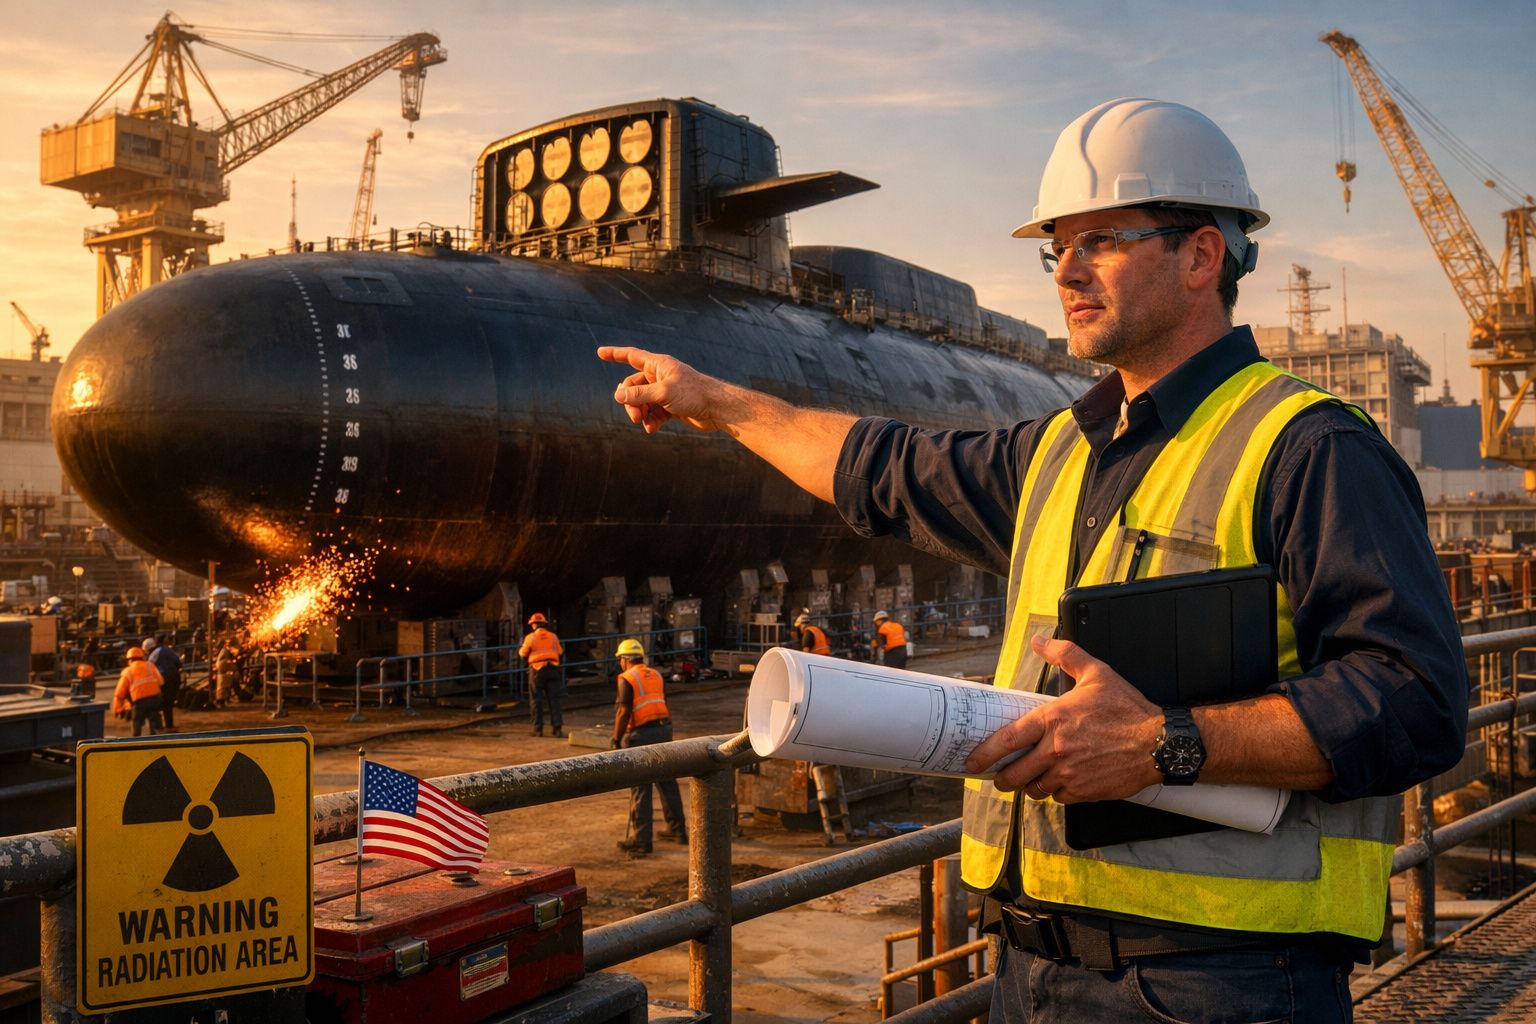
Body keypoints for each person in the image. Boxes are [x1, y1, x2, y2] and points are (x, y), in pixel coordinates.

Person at [597, 96, 1468, 1022]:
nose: (1068, 269)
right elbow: (880, 466)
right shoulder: (1062, 449)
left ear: (1202, 255)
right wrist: (718, 403)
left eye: (1102, 239)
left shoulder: (1309, 447)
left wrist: (1163, 744)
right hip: (1029, 967)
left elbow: (1414, 697)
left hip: (1223, 979)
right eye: (1058, 245)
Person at [611, 637, 686, 857]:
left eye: (620, 660)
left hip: (642, 733)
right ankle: (677, 830)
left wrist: (616, 739)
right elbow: (662, 702)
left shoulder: (626, 678)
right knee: (667, 781)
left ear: (625, 659)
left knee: (641, 786)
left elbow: (624, 711)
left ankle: (641, 841)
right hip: (664, 729)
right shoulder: (655, 674)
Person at [519, 612, 565, 737]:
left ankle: (538, 729)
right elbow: (560, 651)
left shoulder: (530, 637)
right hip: (553, 669)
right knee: (554, 700)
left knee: (536, 700)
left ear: (533, 625)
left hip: (537, 670)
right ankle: (557, 728)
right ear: (544, 624)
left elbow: (523, 653)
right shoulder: (553, 637)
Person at [112, 646, 164, 737]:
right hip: (155, 700)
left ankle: (136, 743)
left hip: (139, 703)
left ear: (129, 660)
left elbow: (119, 694)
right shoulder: (150, 666)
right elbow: (161, 682)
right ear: (142, 657)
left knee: (137, 723)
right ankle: (155, 740)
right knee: (154, 722)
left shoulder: (127, 671)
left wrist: (118, 709)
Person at [145, 634, 183, 731]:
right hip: (175, 678)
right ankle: (169, 724)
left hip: (164, 680)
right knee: (169, 703)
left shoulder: (153, 655)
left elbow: (149, 669)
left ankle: (163, 725)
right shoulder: (168, 650)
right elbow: (178, 662)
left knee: (163, 703)